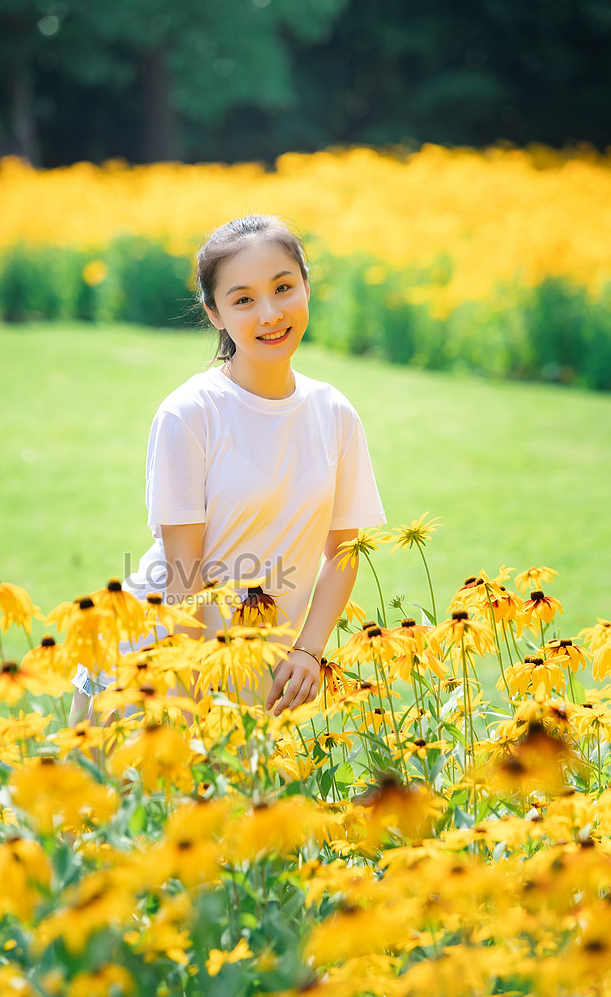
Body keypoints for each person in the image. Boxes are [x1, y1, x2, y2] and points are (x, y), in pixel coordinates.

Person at [70, 213, 384, 722]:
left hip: (257, 668)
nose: (269, 313)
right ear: (214, 313)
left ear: (306, 287)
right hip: (158, 659)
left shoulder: (334, 413)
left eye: (283, 287)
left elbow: (344, 552)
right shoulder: (191, 413)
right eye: (243, 299)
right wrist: (219, 682)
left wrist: (307, 650)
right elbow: (182, 577)